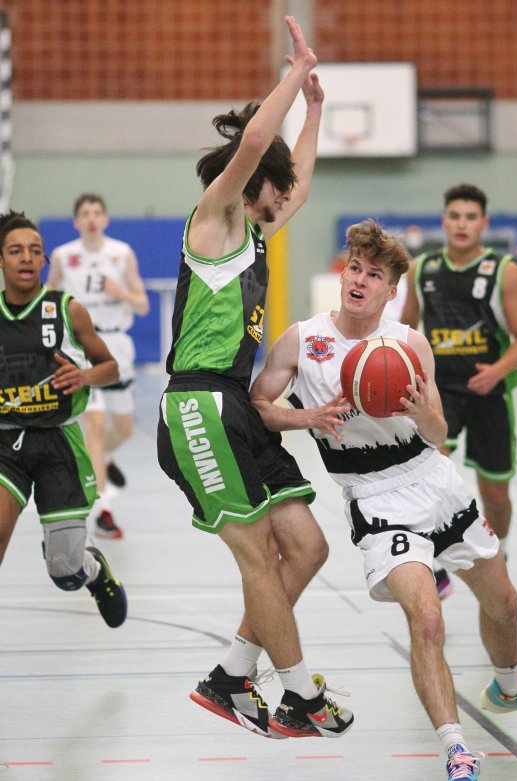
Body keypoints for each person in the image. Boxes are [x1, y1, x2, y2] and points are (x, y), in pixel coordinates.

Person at [250, 219, 517, 780]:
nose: (359, 280)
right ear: (343, 272)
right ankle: (455, 746)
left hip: (436, 481)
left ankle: (511, 687)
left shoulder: (407, 344)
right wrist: (306, 417)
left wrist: (424, 413)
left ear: (390, 290)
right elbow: (257, 404)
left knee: (506, 602)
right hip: (375, 501)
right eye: (354, 267)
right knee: (426, 619)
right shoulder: (305, 340)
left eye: (373, 274)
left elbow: (440, 434)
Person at [156, 16, 353, 739]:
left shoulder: (257, 229)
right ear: (254, 184)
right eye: (278, 187)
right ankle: (300, 694)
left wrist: (319, 111)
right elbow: (252, 147)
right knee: (258, 554)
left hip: (236, 405)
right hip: (199, 404)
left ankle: (232, 676)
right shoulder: (213, 221)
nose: (288, 198)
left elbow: (293, 184)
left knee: (306, 547)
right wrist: (294, 75)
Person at [400, 184, 517, 594]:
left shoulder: (504, 270)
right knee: (429, 474)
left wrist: (497, 370)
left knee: (494, 493)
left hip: (489, 392)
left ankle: (502, 552)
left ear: (484, 223)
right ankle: (434, 565)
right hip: (441, 392)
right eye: (455, 216)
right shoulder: (422, 268)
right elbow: (407, 331)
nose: (462, 224)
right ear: (444, 221)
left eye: (470, 217)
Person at [0, 210, 127, 629]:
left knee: (65, 571)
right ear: (1, 259)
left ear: (43, 261)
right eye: (15, 250)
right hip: (7, 443)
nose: (26, 258)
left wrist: (85, 375)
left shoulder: (66, 310)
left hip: (59, 444)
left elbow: (109, 367)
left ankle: (92, 571)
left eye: (34, 251)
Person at [47, 194, 150, 540]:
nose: (91, 218)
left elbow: (143, 306)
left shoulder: (121, 254)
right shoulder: (63, 256)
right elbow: (47, 299)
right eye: (84, 214)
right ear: (76, 221)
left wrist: (122, 292)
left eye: (96, 213)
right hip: (80, 348)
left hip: (117, 345)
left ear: (105, 219)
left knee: (122, 429)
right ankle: (103, 510)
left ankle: (103, 459)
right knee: (93, 425)